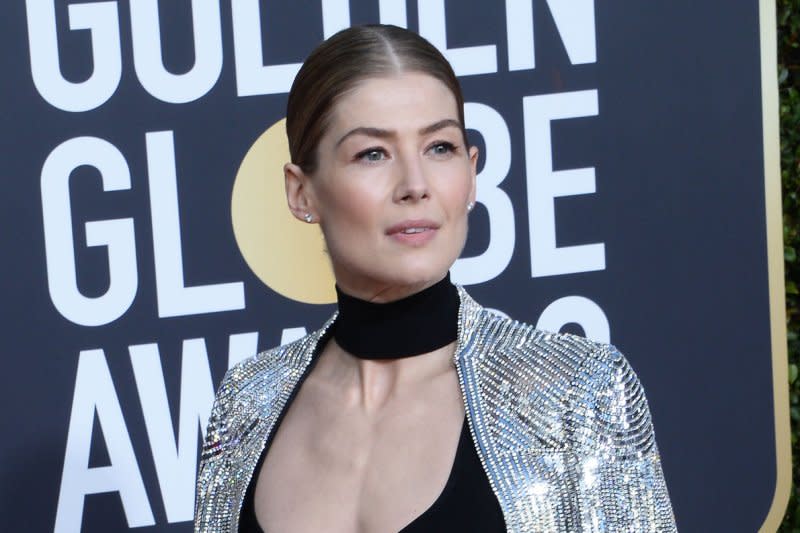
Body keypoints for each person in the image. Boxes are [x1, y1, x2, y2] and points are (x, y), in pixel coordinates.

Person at [194, 24, 676, 533]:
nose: (415, 185)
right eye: (372, 153)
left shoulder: (575, 391)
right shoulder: (247, 400)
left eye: (439, 147)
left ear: (470, 173)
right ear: (301, 192)